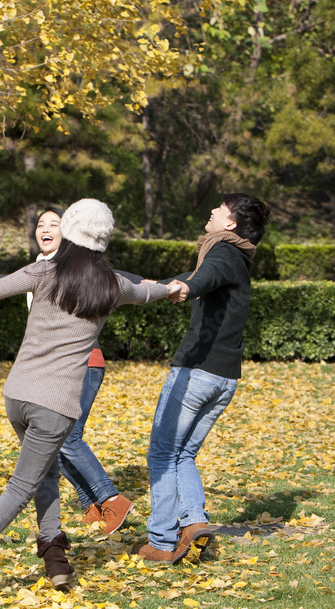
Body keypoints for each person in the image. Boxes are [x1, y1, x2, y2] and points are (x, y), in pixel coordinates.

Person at [0, 199, 184, 596]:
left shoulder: (45, 270)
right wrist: (172, 289)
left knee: (46, 475)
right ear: (103, 240)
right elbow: (146, 291)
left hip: (17, 396)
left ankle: (56, 560)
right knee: (21, 487)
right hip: (55, 406)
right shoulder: (112, 285)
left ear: (69, 232)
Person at [0, 206, 133, 534]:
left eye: (53, 224)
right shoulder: (40, 269)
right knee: (56, 442)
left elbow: (133, 284)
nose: (45, 228)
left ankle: (110, 498)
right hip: (50, 375)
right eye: (40, 224)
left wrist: (171, 287)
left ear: (69, 233)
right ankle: (91, 504)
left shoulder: (75, 267)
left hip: (82, 365)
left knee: (67, 436)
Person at [132, 193, 269, 565]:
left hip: (197, 373)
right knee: (184, 453)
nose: (211, 210)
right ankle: (193, 523)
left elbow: (204, 277)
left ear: (231, 224)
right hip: (225, 379)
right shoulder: (238, 258)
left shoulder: (222, 252)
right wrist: (152, 286)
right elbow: (196, 277)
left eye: (219, 209)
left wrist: (189, 287)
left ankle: (161, 542)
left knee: (162, 453)